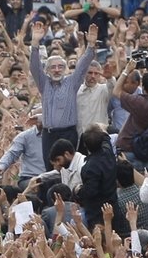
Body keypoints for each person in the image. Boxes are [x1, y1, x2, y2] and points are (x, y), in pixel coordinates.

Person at [30, 22, 98, 170]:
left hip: (68, 134)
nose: (57, 70)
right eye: (53, 67)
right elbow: (34, 67)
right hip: (49, 135)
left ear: (65, 69)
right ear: (47, 70)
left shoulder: (71, 82)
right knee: (50, 169)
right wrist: (35, 42)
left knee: (70, 169)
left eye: (60, 67)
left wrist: (91, 46)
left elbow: (82, 66)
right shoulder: (44, 84)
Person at [114, 59, 148, 171]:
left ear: (143, 87)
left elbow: (116, 91)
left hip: (130, 150)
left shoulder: (141, 103)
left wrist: (126, 70)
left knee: (129, 185)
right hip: (146, 148)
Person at [77, 125, 118, 229]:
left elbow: (90, 191)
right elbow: (106, 138)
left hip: (98, 213)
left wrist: (78, 190)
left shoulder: (89, 168)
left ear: (85, 146)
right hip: (113, 205)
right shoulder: (108, 152)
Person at [0, 112, 45, 190]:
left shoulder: (56, 136)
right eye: (38, 119)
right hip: (29, 178)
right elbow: (12, 153)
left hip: (50, 177)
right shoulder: (25, 136)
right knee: (36, 186)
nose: (40, 121)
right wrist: (2, 166)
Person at [76, 61, 114, 135]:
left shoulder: (103, 90)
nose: (93, 76)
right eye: (90, 73)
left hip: (99, 137)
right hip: (80, 136)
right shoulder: (77, 91)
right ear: (84, 73)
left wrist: (109, 78)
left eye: (96, 73)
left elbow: (112, 86)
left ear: (100, 75)